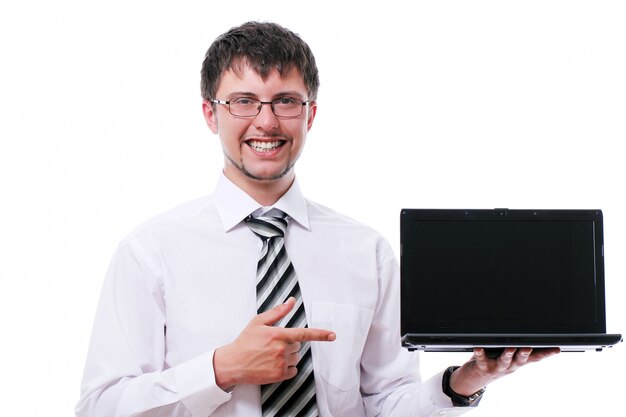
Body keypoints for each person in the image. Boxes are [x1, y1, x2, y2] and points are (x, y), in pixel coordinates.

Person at [76, 21, 559, 417]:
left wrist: (468, 379)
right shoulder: (151, 251)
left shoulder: (366, 251)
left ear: (309, 115)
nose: (265, 122)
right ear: (209, 113)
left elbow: (387, 402)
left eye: (286, 101)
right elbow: (99, 407)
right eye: (242, 101)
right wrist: (222, 369)